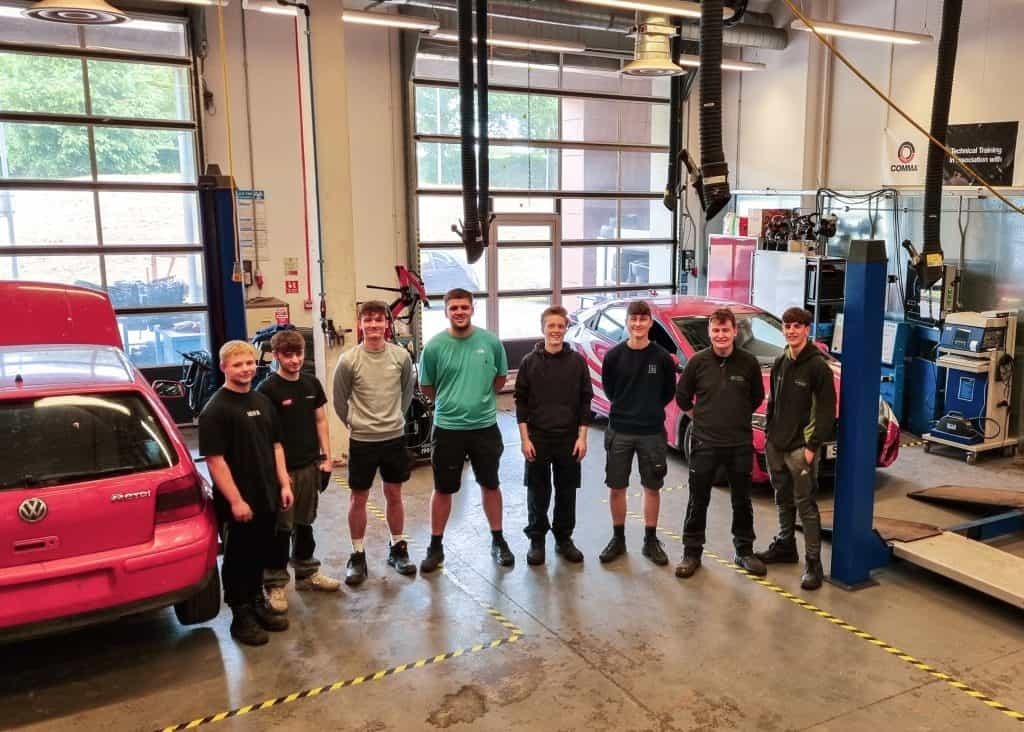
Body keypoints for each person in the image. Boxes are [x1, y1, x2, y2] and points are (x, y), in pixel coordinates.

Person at [199, 340, 293, 646]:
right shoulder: (216, 410)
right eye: (238, 365)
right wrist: (236, 500)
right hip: (239, 501)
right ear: (224, 368)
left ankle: (255, 603)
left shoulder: (262, 401)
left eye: (249, 363)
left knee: (259, 553)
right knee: (238, 558)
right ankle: (240, 614)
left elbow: (277, 446)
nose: (245, 369)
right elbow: (215, 460)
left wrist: (284, 483)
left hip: (267, 495)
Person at [417, 288, 512, 572]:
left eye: (464, 307)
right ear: (446, 311)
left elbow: (500, 378)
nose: (459, 312)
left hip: (485, 428)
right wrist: (452, 403)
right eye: (454, 307)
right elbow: (427, 386)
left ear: (472, 309)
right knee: (443, 488)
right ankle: (435, 546)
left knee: (490, 484)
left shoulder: (490, 342)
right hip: (448, 429)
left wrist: (478, 401)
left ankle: (498, 540)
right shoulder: (434, 347)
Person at [675, 307, 766, 579]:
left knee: (742, 500)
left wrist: (734, 416)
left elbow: (756, 398)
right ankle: (691, 553)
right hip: (704, 444)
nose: (721, 335)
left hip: (739, 443)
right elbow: (682, 398)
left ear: (735, 332)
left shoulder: (748, 363)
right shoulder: (697, 363)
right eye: (716, 330)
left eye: (726, 330)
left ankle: (744, 551)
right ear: (709, 332)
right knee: (697, 500)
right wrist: (701, 418)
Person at [332, 301, 417, 583]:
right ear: (360, 324)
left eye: (378, 320)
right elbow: (339, 401)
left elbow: (406, 394)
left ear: (386, 324)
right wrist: (356, 423)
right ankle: (357, 555)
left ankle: (398, 548)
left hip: (393, 437)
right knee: (359, 498)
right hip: (363, 441)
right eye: (367, 320)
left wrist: (395, 418)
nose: (373, 326)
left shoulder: (400, 357)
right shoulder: (349, 360)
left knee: (394, 495)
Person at [754, 306, 837, 590]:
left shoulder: (818, 367)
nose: (791, 331)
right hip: (776, 444)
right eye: (787, 326)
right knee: (782, 498)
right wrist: (768, 435)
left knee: (806, 505)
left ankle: (813, 563)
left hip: (801, 449)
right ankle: (786, 545)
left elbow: (826, 412)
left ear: (807, 329)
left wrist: (813, 447)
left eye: (797, 326)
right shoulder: (781, 361)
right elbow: (773, 402)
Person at [258, 330, 340, 613]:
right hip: (284, 472)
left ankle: (307, 574)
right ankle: (275, 583)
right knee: (282, 528)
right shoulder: (267, 390)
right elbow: (267, 438)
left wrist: (327, 458)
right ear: (277, 356)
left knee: (305, 523)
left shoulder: (311, 383)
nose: (294, 360)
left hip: (309, 467)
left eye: (298, 354)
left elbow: (320, 420)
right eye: (288, 355)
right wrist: (279, 475)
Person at [598, 300, 676, 566]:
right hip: (619, 430)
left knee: (651, 487)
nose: (638, 324)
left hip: (652, 432)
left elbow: (667, 392)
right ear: (627, 322)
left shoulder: (661, 358)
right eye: (634, 319)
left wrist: (648, 409)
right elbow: (610, 390)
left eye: (643, 319)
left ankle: (650, 540)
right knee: (616, 487)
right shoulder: (614, 356)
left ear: (650, 323)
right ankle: (618, 539)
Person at [515, 305, 592, 565]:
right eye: (551, 326)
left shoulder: (577, 362)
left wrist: (582, 438)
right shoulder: (529, 363)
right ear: (543, 328)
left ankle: (563, 539)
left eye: (561, 326)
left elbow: (585, 401)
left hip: (569, 439)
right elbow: (521, 402)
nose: (556, 330)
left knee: (566, 491)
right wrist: (525, 439)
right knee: (538, 492)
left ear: (566, 328)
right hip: (538, 439)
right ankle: (537, 540)